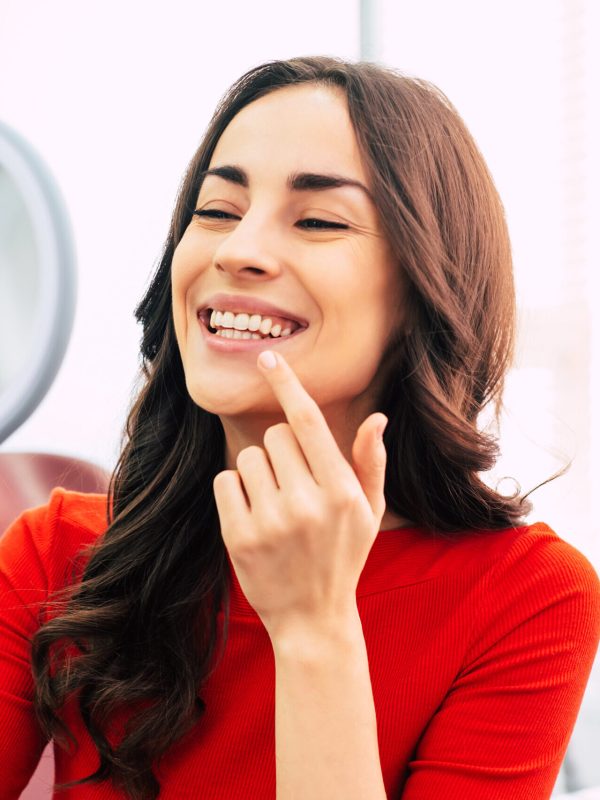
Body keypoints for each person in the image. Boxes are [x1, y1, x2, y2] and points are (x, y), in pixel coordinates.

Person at [0, 56, 599, 800]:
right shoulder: (55, 556)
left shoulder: (527, 599)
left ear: (424, 290)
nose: (237, 250)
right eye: (216, 210)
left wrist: (314, 629)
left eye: (317, 220)